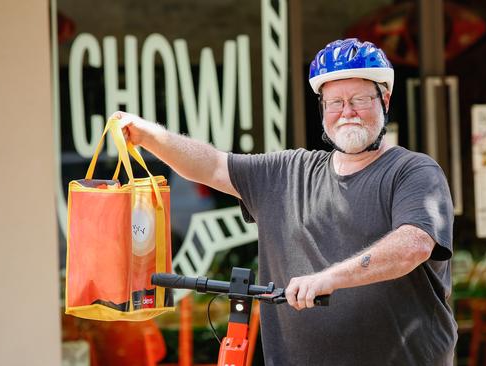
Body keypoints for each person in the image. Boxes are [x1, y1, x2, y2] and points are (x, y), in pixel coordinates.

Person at [117, 38, 457, 365]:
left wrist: (330, 278)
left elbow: (413, 244)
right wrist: (149, 135)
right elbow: (212, 165)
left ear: (384, 100)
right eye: (335, 102)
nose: (347, 111)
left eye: (360, 99)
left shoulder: (413, 171)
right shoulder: (288, 172)